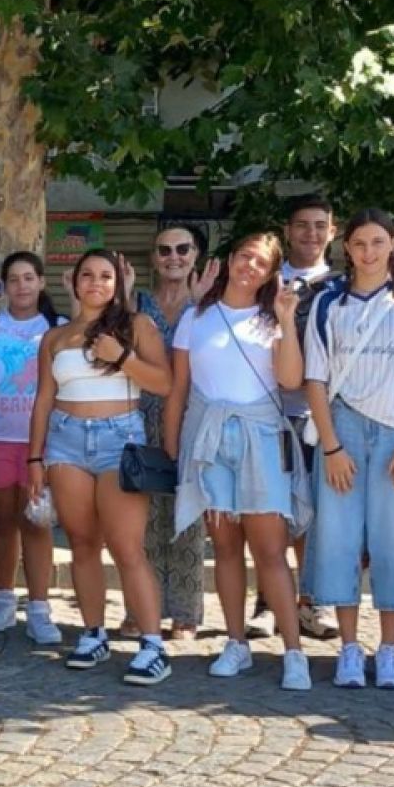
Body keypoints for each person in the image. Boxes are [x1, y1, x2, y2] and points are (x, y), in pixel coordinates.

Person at [302, 209, 394, 689]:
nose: (368, 252)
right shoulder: (328, 303)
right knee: (338, 539)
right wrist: (331, 447)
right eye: (360, 243)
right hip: (342, 429)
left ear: (393, 244)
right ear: (347, 248)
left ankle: (389, 649)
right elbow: (315, 379)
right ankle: (349, 648)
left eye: (378, 242)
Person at [165, 233, 311, 689]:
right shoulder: (196, 317)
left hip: (261, 438)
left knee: (270, 549)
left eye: (261, 263)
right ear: (230, 260)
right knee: (225, 547)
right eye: (245, 256)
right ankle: (235, 642)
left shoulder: (272, 320)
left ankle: (294, 651)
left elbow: (291, 380)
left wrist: (286, 320)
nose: (250, 266)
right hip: (209, 440)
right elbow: (179, 387)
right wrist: (173, 446)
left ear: (271, 274)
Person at [30, 249, 173, 684]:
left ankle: (153, 644)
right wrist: (34, 458)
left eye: (106, 276)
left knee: (126, 547)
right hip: (65, 441)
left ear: (118, 283)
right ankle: (93, 633)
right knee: (81, 542)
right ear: (74, 282)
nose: (96, 283)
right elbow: (43, 399)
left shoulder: (136, 325)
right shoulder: (55, 337)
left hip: (119, 440)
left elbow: (165, 382)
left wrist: (122, 356)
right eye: (88, 275)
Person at [0, 252, 64, 647]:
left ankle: (40, 609)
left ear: (41, 282)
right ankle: (3, 601)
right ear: (5, 286)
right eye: (14, 279)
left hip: (41, 440)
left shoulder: (58, 326)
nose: (22, 286)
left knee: (37, 521)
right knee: (2, 520)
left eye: (29, 277)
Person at [133, 226, 211, 645]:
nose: (173, 257)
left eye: (183, 249)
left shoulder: (208, 303)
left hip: (191, 415)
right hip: (141, 415)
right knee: (141, 517)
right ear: (154, 257)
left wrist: (201, 303)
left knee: (187, 513)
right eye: (164, 250)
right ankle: (141, 609)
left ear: (196, 254)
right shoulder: (137, 302)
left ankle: (184, 612)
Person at [270, 194, 341, 641]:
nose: (311, 233)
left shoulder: (343, 286)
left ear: (332, 231)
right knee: (270, 512)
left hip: (322, 417)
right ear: (287, 231)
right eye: (302, 225)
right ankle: (268, 602)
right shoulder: (266, 281)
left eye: (319, 225)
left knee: (316, 517)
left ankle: (313, 601)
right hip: (271, 412)